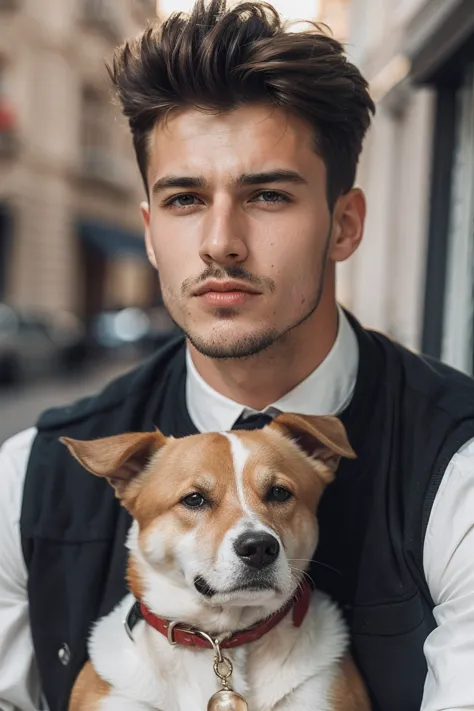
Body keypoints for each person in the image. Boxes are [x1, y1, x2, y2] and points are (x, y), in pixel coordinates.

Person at [1, 1, 473, 709]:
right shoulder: (25, 479)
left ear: (344, 225)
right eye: (186, 198)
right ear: (152, 234)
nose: (221, 241)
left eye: (268, 195)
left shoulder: (456, 463)